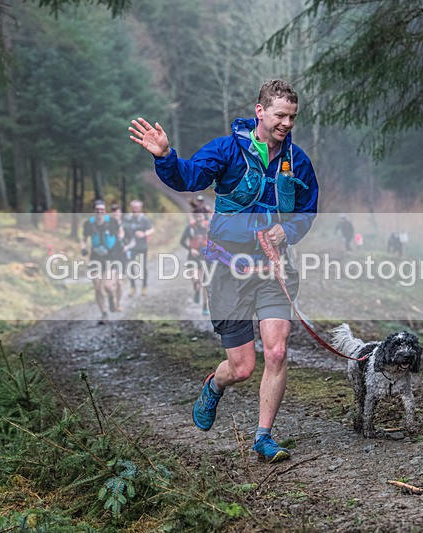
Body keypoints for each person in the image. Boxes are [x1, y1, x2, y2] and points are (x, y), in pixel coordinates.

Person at [129, 79, 318, 463]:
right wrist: (165, 156)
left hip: (273, 269)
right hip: (229, 270)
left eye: (292, 117)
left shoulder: (297, 161)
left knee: (277, 351)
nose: (286, 123)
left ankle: (263, 437)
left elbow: (307, 211)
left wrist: (288, 229)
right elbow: (188, 178)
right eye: (280, 115)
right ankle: (214, 385)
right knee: (243, 367)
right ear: (260, 111)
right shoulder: (227, 150)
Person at [81, 200, 125, 323]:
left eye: (102, 209)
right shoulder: (89, 224)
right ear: (94, 210)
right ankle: (104, 313)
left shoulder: (111, 221)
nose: (99, 211)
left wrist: (121, 239)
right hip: (95, 257)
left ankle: (111, 297)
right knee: (97, 287)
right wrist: (83, 247)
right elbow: (84, 239)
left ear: (105, 211)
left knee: (108, 286)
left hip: (110, 257)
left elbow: (120, 230)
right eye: (97, 209)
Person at [122, 199, 155, 297]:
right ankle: (132, 287)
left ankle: (144, 287)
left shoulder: (143, 218)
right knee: (130, 266)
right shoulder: (127, 218)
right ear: (131, 207)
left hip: (142, 246)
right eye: (133, 207)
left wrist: (144, 234)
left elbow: (152, 229)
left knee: (142, 267)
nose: (135, 209)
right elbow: (122, 229)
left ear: (140, 208)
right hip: (131, 246)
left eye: (137, 207)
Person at [180, 212, 210, 314]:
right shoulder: (190, 228)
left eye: (200, 216)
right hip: (193, 257)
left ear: (203, 217)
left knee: (205, 284)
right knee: (196, 281)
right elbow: (182, 241)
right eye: (196, 216)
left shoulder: (208, 227)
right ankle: (196, 291)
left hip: (205, 257)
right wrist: (191, 249)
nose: (198, 218)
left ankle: (205, 307)